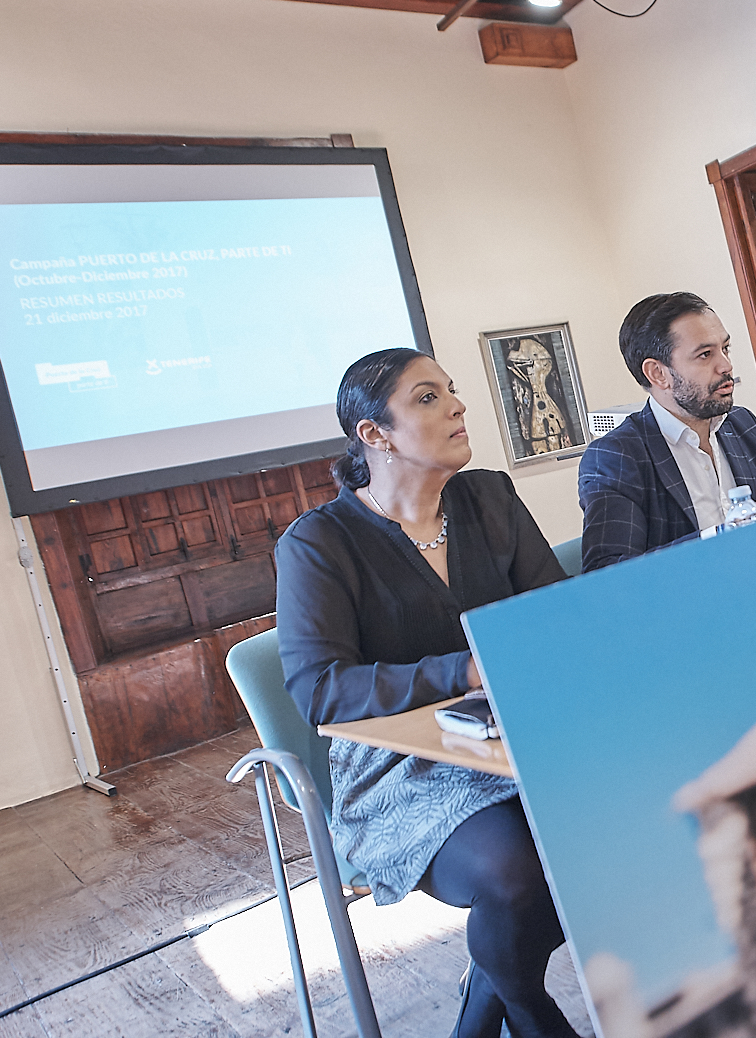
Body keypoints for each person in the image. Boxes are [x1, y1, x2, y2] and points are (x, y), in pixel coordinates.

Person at [276, 348, 581, 1038]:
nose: (457, 405)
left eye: (451, 390)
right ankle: (536, 1018)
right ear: (373, 434)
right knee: (515, 873)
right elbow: (321, 690)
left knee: (611, 820)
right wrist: (463, 671)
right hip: (398, 764)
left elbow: (553, 620)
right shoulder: (317, 543)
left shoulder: (490, 497)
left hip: (515, 733)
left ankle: (484, 996)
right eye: (426, 397)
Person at [578, 292, 756, 572]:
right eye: (705, 355)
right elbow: (608, 571)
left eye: (725, 348)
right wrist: (722, 535)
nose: (726, 366)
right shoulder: (617, 456)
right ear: (658, 374)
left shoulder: (742, 425)